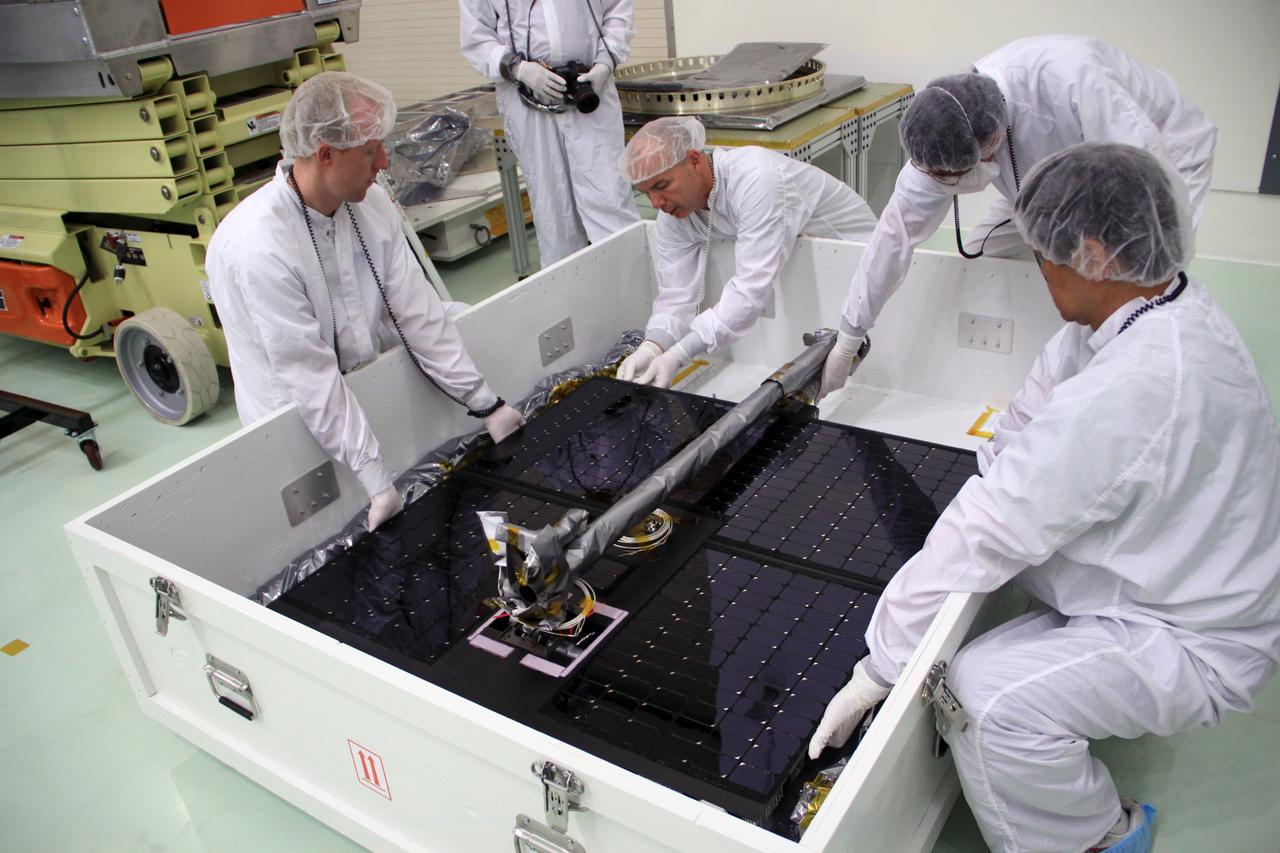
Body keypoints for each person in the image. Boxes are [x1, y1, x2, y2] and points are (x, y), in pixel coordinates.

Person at [807, 142, 1280, 853]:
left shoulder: (1143, 381)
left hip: (1192, 632)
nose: (1041, 270)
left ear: (1093, 255)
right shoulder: (1151, 310)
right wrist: (1000, 471)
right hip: (1175, 577)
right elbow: (1030, 417)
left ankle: (1099, 838)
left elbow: (996, 525)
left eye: (1045, 256)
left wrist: (879, 666)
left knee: (986, 698)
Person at [819, 35, 1218, 400]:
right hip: (1042, 177)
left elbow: (1144, 174)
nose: (945, 185)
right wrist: (848, 340)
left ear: (988, 148)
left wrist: (1089, 268)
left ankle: (1114, 392)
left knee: (1116, 294)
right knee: (981, 261)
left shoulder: (1065, 80)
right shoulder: (942, 135)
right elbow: (893, 237)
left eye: (954, 178)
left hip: (1160, 163)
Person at [208, 72, 524, 532]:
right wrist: (375, 476)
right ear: (325, 155)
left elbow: (416, 313)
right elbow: (309, 375)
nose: (384, 162)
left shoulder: (369, 205)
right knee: (323, 540)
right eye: (371, 150)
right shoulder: (262, 247)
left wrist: (486, 404)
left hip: (357, 394)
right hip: (291, 416)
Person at [616, 116, 878, 387]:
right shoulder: (675, 216)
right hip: (804, 277)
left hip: (856, 262)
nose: (657, 203)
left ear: (694, 159)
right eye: (646, 193)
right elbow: (675, 295)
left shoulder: (756, 178)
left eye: (662, 185)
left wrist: (680, 354)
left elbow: (750, 290)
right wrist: (653, 347)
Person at [459, 0, 640, 266]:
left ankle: (634, 293)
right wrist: (517, 68)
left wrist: (605, 61)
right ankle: (570, 301)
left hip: (590, 95)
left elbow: (617, 10)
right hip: (528, 105)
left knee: (610, 202)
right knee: (553, 215)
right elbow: (476, 37)